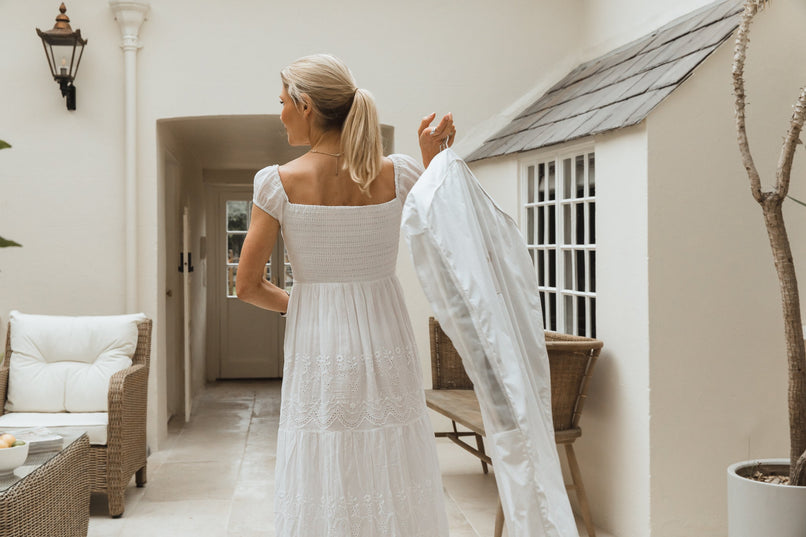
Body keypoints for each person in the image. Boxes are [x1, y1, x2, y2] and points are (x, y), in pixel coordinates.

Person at [236, 53, 455, 537]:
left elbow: (247, 285)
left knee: (327, 452)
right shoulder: (398, 174)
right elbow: (448, 236)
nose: (280, 114)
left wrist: (302, 303)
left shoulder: (277, 183)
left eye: (282, 103)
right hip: (387, 334)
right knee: (390, 453)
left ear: (306, 105)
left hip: (318, 338)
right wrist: (433, 164)